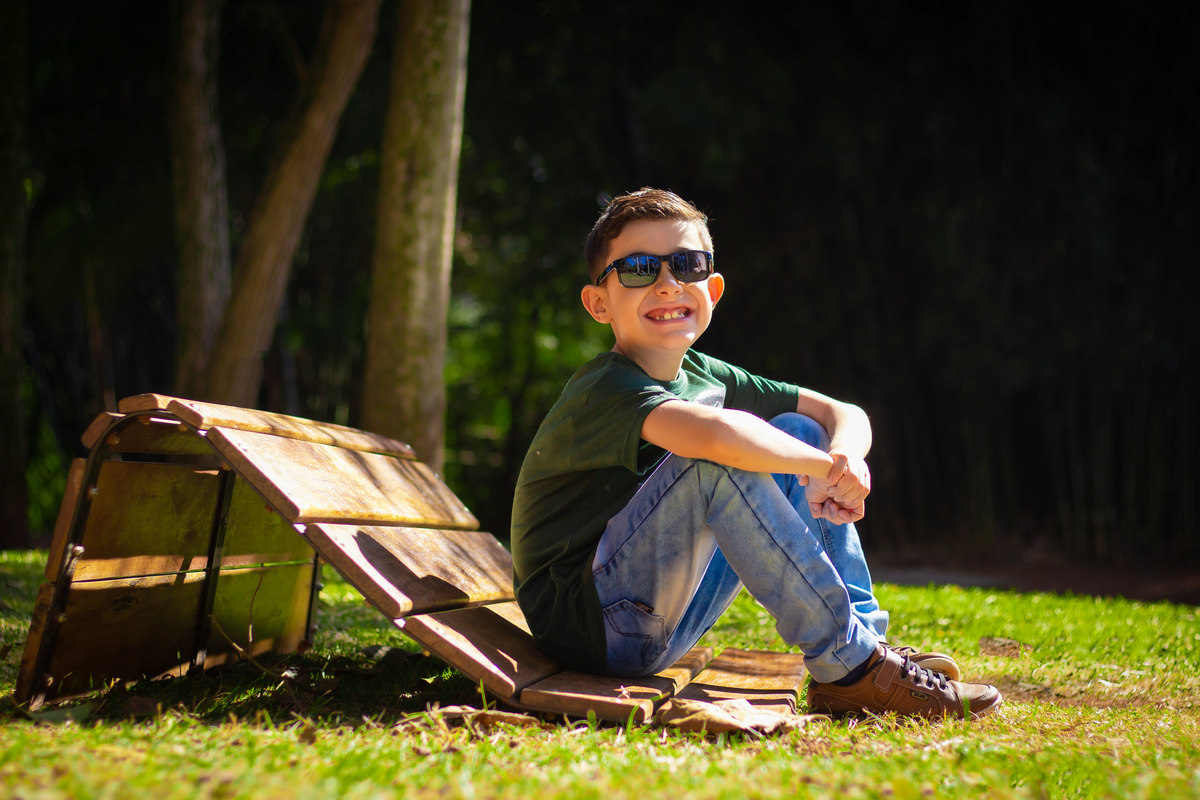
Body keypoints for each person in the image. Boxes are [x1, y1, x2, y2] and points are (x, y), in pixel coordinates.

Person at [510, 188, 1002, 720]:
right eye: (637, 269)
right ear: (598, 302)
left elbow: (842, 413)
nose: (668, 283)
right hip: (593, 629)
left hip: (653, 619)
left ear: (713, 288)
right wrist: (822, 470)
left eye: (687, 264)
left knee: (798, 431)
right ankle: (854, 666)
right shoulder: (605, 389)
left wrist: (842, 458)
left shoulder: (702, 373)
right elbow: (720, 438)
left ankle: (863, 649)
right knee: (719, 461)